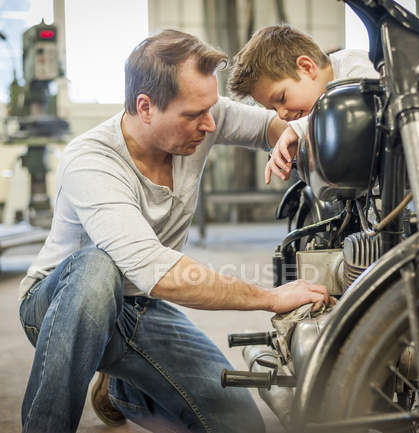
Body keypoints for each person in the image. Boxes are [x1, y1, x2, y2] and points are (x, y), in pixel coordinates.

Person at [17, 29, 329, 433]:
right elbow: (156, 270)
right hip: (58, 307)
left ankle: (121, 386)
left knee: (240, 424)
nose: (210, 124)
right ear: (145, 107)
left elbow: (274, 127)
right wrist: (269, 298)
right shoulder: (91, 161)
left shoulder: (202, 117)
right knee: (98, 269)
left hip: (139, 306)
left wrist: (303, 142)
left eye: (211, 108)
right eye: (193, 115)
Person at [228, 24, 419, 214]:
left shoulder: (358, 67)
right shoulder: (322, 97)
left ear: (306, 67)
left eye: (282, 98)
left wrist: (296, 129)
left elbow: (372, 106)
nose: (283, 114)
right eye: (273, 110)